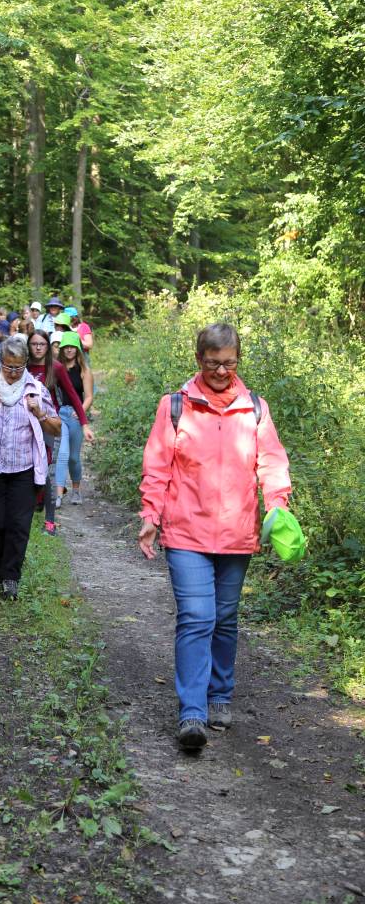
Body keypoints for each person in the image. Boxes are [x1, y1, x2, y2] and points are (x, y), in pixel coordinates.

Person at [138, 322, 291, 751]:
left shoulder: (254, 408)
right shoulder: (175, 406)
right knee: (196, 617)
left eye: (229, 363)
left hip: (237, 532)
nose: (222, 371)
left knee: (224, 618)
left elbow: (271, 461)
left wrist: (277, 504)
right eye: (213, 363)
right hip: (187, 531)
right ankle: (192, 712)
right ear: (198, 359)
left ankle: (220, 693)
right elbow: (157, 465)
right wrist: (150, 514)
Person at [0, 336, 60, 600]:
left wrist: (40, 413)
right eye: (8, 367)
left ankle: (11, 578)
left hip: (23, 471)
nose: (13, 373)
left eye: (19, 367)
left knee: (19, 526)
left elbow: (56, 427)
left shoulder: (35, 389)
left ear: (26, 363)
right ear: (0, 362)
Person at [27, 331, 93, 534]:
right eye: (34, 344)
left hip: (50, 422)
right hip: (26, 423)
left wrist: (84, 423)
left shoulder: (55, 368)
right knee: (29, 465)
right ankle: (35, 502)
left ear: (48, 347)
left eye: (42, 344)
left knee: (50, 465)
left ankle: (50, 519)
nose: (38, 347)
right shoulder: (23, 366)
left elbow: (74, 395)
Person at [55, 332, 94, 507]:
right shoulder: (56, 368)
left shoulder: (84, 370)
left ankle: (76, 490)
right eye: (66, 347)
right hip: (59, 414)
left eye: (72, 347)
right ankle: (58, 495)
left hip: (75, 415)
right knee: (62, 454)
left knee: (73, 458)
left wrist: (81, 411)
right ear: (62, 349)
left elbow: (89, 396)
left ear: (77, 349)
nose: (69, 350)